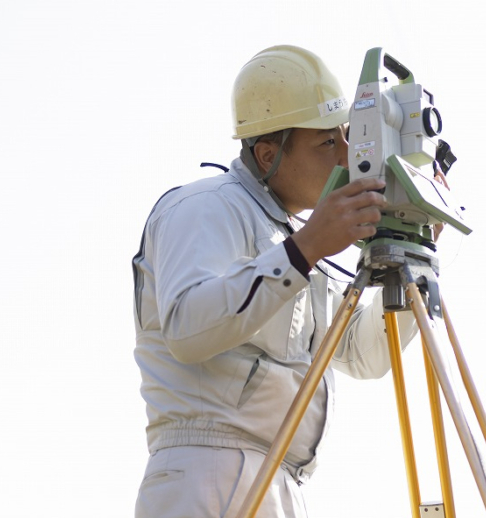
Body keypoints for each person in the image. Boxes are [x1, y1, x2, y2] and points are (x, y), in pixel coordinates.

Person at [131, 45, 423, 518]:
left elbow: (365, 356)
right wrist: (305, 248)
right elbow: (187, 327)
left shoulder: (295, 239)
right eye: (328, 142)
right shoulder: (205, 206)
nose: (348, 154)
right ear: (268, 153)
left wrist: (410, 257)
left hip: (281, 480)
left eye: (346, 135)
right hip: (207, 476)